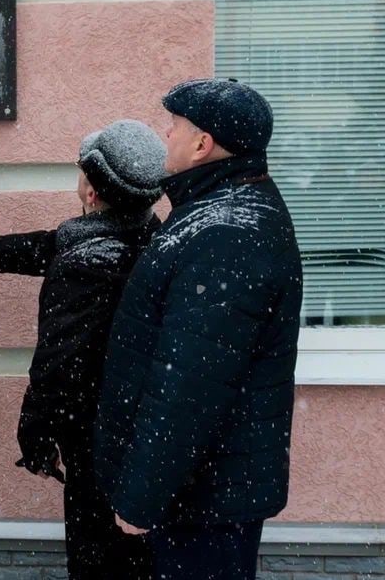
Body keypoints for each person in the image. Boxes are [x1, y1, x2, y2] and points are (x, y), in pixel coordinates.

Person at [94, 78, 304, 580]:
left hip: (205, 500)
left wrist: (142, 497)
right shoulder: (217, 212)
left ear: (201, 144)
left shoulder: (227, 234)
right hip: (200, 490)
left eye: (174, 128)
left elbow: (187, 386)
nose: (166, 137)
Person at [0, 120, 166, 579]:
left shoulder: (88, 268)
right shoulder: (150, 239)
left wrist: (35, 438)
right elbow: (55, 244)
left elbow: (58, 367)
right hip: (143, 429)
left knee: (96, 556)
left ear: (91, 194)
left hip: (94, 435)